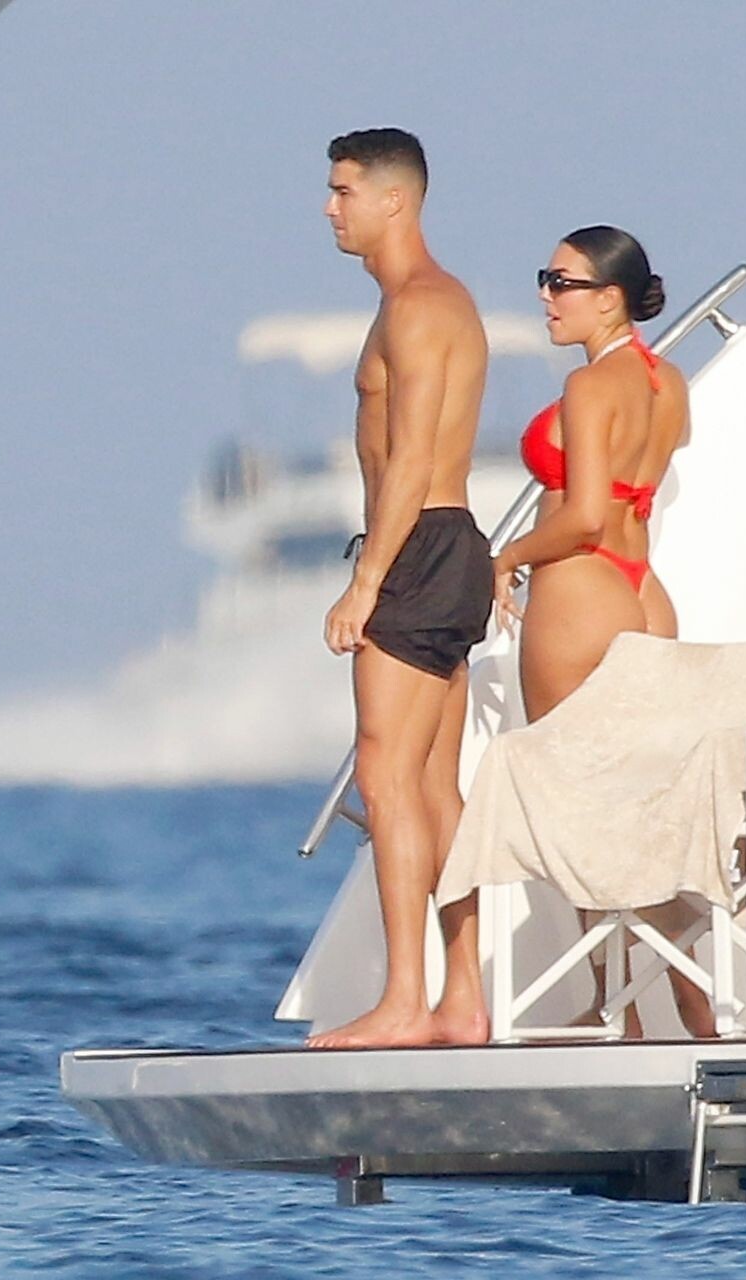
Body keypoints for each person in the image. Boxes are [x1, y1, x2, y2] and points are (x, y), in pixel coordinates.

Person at [490, 225, 716, 1039]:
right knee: (642, 806)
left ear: (610, 297)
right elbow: (632, 493)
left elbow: (584, 515)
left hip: (583, 588)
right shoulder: (668, 382)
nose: (546, 297)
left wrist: (504, 557)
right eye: (545, 279)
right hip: (644, 589)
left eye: (562, 283)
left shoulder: (590, 387)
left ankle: (612, 1008)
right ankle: (689, 995)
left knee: (578, 809)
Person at [308, 128, 493, 1049]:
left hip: (419, 547)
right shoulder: (431, 300)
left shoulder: (418, 306)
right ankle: (463, 999)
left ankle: (405, 1002)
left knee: (386, 778)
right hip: (449, 545)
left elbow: (412, 458)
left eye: (344, 191)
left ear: (394, 200)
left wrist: (364, 584)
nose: (329, 209)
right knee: (433, 787)